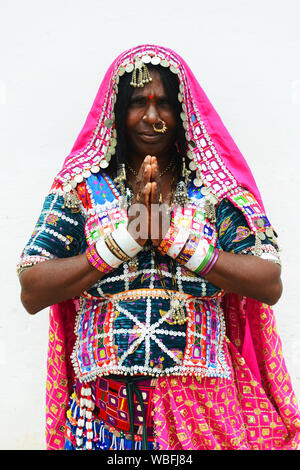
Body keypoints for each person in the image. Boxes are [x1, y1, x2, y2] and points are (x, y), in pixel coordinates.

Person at [17, 44, 300, 451]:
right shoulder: (81, 189)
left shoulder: (213, 190)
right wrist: (124, 242)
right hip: (104, 411)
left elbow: (269, 282)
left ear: (183, 112)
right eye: (138, 103)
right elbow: (32, 288)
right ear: (117, 112)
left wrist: (176, 242)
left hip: (202, 406)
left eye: (164, 103)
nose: (152, 117)